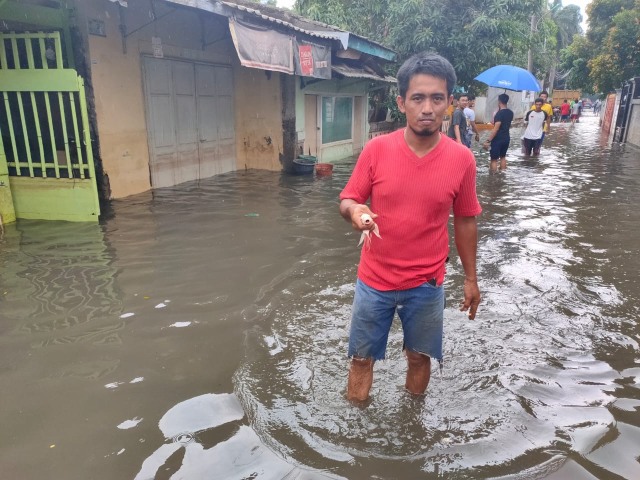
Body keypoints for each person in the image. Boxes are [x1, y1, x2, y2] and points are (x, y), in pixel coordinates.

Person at [339, 52, 482, 403]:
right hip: (374, 280)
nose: (427, 108)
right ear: (402, 102)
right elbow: (348, 199)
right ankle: (356, 426)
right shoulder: (376, 150)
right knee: (360, 358)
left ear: (450, 103)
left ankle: (412, 422)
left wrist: (470, 278)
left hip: (427, 283)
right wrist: (356, 212)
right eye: (418, 98)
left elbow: (465, 219)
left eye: (437, 98)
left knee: (419, 356)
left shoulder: (461, 159)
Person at [483, 93, 513, 172]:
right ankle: (502, 175)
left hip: (498, 139)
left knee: (494, 159)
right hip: (506, 138)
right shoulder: (510, 113)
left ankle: (493, 177)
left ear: (499, 101)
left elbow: (496, 129)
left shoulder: (499, 114)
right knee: (503, 157)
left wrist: (488, 140)